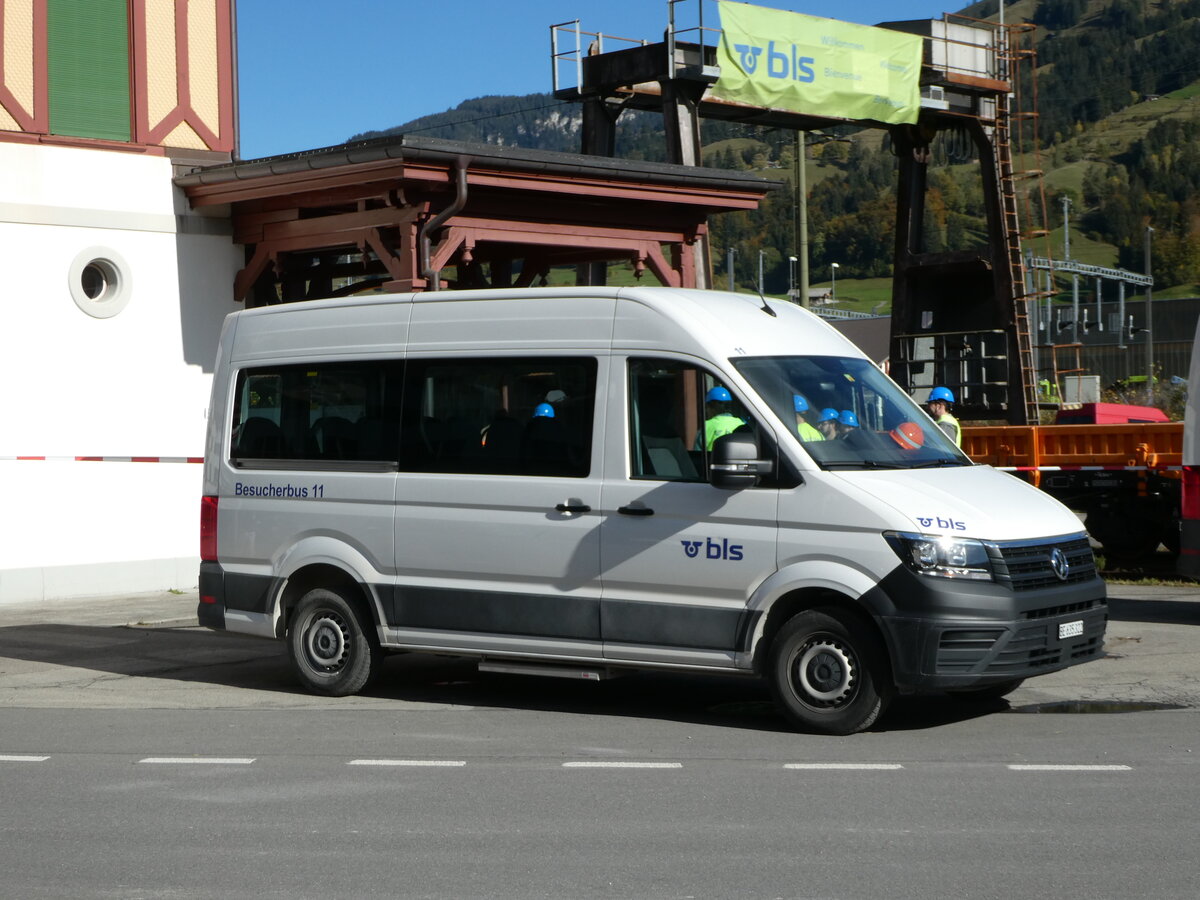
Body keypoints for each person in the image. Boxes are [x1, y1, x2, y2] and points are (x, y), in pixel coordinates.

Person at [699, 386, 745, 450]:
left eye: (707, 407)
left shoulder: (706, 426)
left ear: (711, 406)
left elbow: (697, 455)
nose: (706, 411)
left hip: (713, 460)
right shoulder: (740, 424)